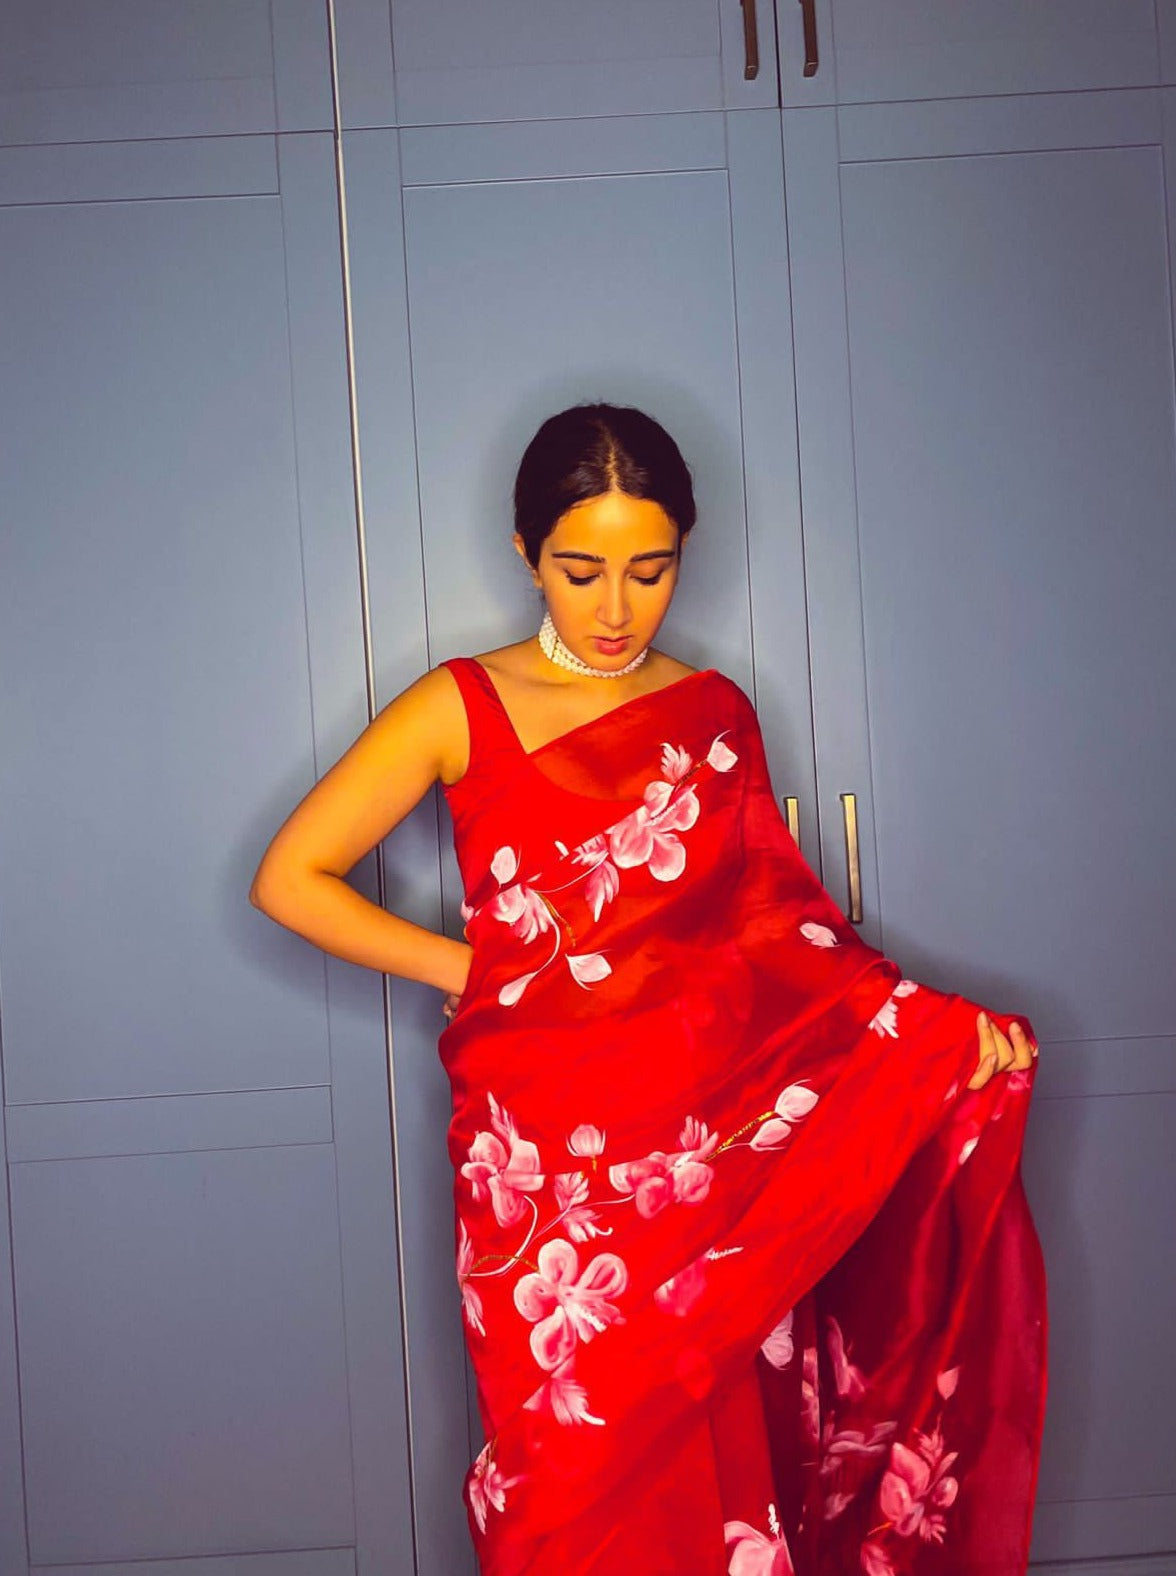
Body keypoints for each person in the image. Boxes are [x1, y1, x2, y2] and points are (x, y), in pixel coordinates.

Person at [250, 402, 1047, 1576]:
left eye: (649, 569)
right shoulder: (458, 705)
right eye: (580, 571)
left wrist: (926, 1029)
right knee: (566, 1489)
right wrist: (475, 966)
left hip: (697, 1161)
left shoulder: (714, 717)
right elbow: (290, 876)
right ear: (527, 554)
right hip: (542, 1193)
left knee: (713, 1475)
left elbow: (781, 937)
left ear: (684, 550)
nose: (616, 608)